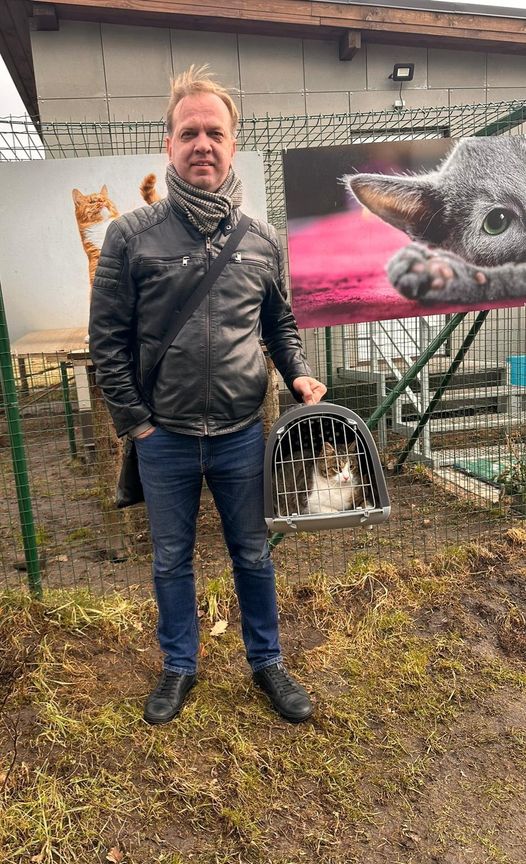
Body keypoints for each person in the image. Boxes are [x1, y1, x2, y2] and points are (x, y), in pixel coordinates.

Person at [89, 66, 326, 726]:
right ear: (167, 143)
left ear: (232, 142)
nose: (202, 144)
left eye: (214, 133)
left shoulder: (260, 241)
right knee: (171, 560)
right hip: (162, 437)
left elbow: (279, 324)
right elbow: (106, 339)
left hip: (241, 434)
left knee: (252, 553)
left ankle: (267, 661)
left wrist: (298, 372)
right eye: (189, 132)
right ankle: (179, 666)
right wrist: (136, 424)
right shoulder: (131, 236)